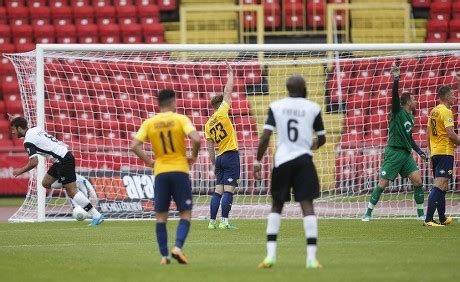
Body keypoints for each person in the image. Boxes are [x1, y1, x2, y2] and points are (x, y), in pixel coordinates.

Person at [254, 75, 326, 269]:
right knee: (307, 206)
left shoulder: (276, 106)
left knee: (277, 205)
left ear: (287, 88)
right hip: (304, 160)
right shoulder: (313, 107)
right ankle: (311, 259)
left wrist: (257, 160)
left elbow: (265, 137)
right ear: (303, 88)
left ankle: (270, 256)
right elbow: (322, 138)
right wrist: (312, 144)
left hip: (283, 160)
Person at [131, 89, 201, 265]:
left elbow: (134, 145)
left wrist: (150, 162)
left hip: (161, 172)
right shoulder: (180, 119)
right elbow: (197, 138)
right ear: (173, 102)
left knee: (161, 217)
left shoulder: (149, 123)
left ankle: (164, 257)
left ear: (158, 103)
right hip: (180, 170)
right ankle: (177, 248)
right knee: (185, 213)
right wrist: (193, 155)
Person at [362, 64, 427, 222]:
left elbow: (409, 138)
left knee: (418, 181)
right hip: (393, 152)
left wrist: (419, 151)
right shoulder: (397, 112)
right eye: (413, 99)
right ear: (406, 102)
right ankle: (368, 213)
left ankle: (420, 214)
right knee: (383, 184)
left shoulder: (412, 118)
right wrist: (396, 79)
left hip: (406, 154)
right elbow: (394, 97)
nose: (416, 101)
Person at [10, 116, 104, 225]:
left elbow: (34, 162)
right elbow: (27, 131)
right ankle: (73, 181)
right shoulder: (35, 129)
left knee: (72, 192)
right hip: (61, 159)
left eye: (13, 129)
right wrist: (16, 120)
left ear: (19, 128)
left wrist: (19, 171)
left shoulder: (28, 142)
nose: (12, 132)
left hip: (63, 160)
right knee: (46, 183)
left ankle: (97, 215)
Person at [204, 62, 239, 230]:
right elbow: (228, 91)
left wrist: (214, 164)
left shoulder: (207, 124)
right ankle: (224, 222)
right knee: (228, 191)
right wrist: (230, 74)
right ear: (220, 105)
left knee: (217, 191)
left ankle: (212, 222)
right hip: (231, 155)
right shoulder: (222, 112)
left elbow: (210, 148)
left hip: (219, 158)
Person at [424, 74, 460, 226]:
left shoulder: (434, 111)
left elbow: (428, 133)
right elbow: (451, 133)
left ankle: (442, 218)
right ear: (446, 97)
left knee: (443, 185)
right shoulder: (446, 112)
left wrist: (430, 150)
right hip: (445, 152)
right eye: (452, 96)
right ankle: (428, 219)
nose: (454, 98)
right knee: (439, 185)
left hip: (436, 152)